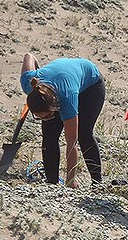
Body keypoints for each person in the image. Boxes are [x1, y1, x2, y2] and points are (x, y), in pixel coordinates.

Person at [20, 53, 105, 188]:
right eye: (39, 117)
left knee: (84, 133)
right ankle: (51, 182)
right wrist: (37, 66)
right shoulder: (28, 82)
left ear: (54, 106)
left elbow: (72, 143)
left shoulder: (67, 98)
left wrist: (70, 180)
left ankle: (97, 183)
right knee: (49, 136)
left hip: (91, 85)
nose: (45, 119)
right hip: (61, 80)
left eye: (47, 115)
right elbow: (29, 56)